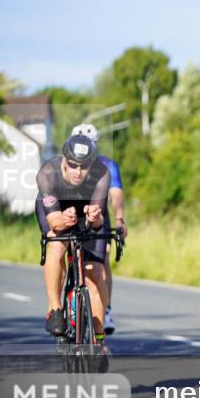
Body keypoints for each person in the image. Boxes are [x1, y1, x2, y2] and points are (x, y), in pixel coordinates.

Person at [36, 135, 110, 343]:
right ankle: (55, 310)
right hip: (56, 212)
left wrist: (94, 217)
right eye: (73, 165)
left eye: (84, 167)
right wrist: (64, 220)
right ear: (64, 161)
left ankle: (99, 337)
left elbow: (98, 222)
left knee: (95, 272)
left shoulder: (101, 174)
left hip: (85, 212)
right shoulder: (47, 174)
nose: (78, 172)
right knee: (57, 246)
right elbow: (55, 223)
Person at [70, 124, 128, 335]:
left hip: (98, 214)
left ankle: (107, 308)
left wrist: (120, 219)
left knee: (102, 258)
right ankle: (64, 302)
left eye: (90, 144)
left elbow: (116, 195)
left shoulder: (107, 165)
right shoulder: (66, 166)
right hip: (72, 215)